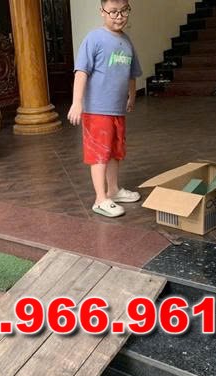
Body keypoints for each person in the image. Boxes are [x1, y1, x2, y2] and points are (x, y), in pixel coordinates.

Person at [68, 0, 142, 218]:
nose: (119, 16)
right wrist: (77, 102)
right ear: (102, 12)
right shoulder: (94, 39)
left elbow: (132, 74)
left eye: (124, 11)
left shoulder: (127, 42)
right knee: (99, 154)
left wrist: (132, 95)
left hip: (117, 110)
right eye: (113, 12)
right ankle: (100, 199)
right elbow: (81, 71)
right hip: (97, 111)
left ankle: (113, 191)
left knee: (115, 152)